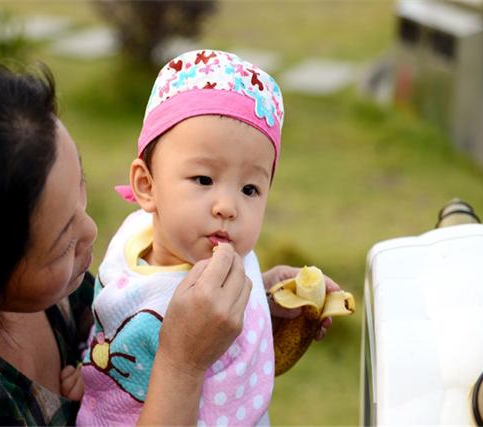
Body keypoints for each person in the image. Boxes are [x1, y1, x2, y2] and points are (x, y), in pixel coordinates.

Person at [0, 63, 336, 426]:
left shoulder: (34, 282)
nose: (91, 233)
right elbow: (166, 356)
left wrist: (252, 311)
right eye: (61, 242)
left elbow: (131, 339)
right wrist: (182, 365)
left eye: (81, 195)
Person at [72, 49, 335, 426]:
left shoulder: (205, 252)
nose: (228, 206)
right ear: (147, 186)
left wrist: (263, 294)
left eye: (249, 189)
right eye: (204, 180)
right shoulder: (146, 275)